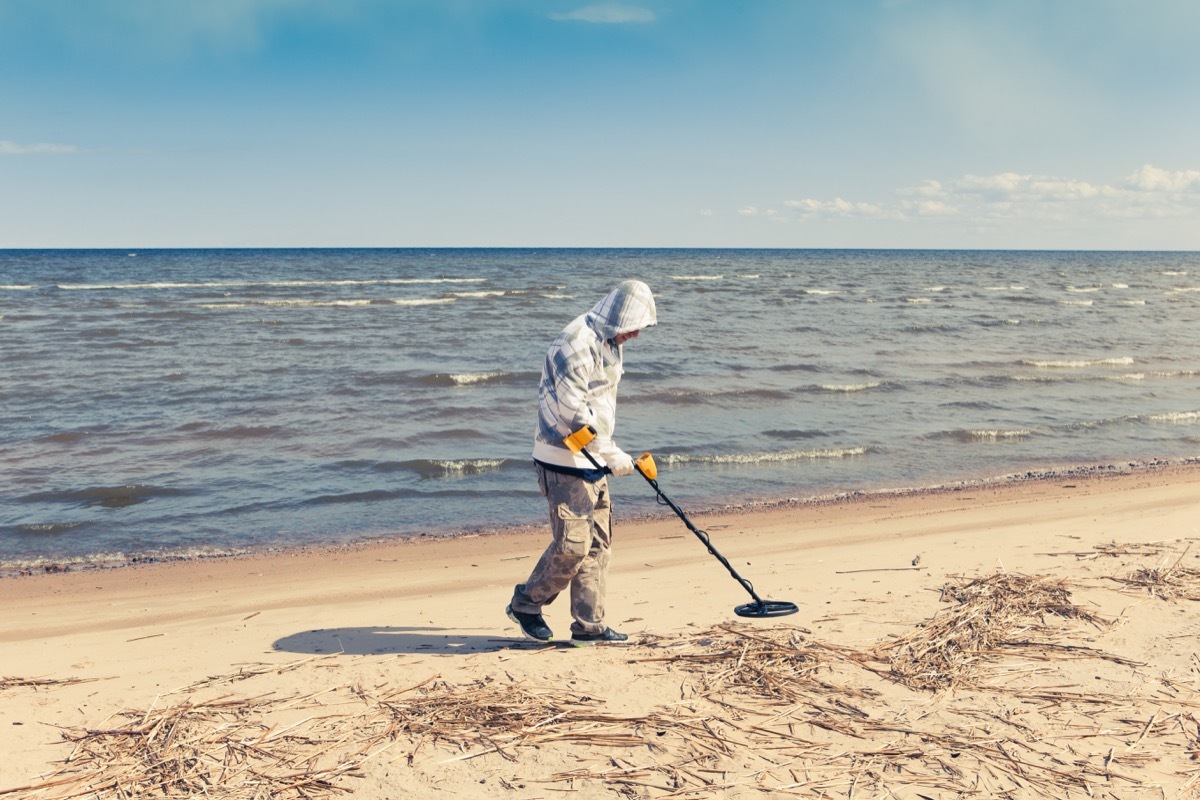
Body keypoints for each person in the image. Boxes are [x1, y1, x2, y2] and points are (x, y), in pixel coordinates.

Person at [506, 280, 657, 645]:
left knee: (597, 545)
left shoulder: (609, 342)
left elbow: (598, 402)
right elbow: (572, 413)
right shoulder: (573, 343)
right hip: (562, 459)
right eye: (634, 325)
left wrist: (607, 452)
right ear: (619, 314)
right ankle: (527, 603)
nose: (635, 335)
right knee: (572, 546)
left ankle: (589, 627)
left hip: (594, 456)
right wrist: (610, 453)